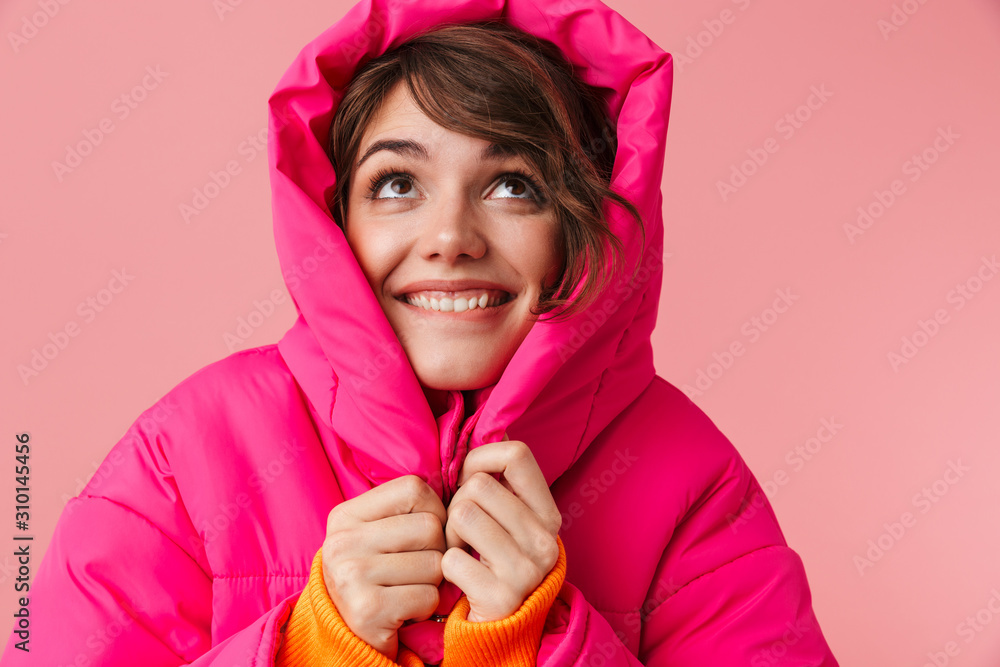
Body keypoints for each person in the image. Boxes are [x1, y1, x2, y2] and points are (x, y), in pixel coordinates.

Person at [1, 0, 841, 665]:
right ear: (333, 220)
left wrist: (540, 646)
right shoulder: (182, 459)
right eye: (397, 182)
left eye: (514, 184)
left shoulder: (692, 487)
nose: (450, 236)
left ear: (585, 223)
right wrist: (310, 651)